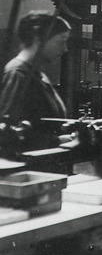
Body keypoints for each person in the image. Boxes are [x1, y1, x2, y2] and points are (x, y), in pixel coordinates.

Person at [0, 11, 71, 155]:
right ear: (39, 38)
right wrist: (58, 141)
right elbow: (7, 135)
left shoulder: (37, 75)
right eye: (61, 41)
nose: (65, 49)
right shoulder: (17, 74)